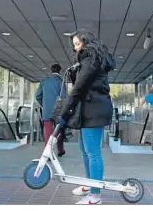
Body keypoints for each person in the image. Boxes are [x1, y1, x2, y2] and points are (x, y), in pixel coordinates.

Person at [57, 29, 116, 205]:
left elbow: (78, 88)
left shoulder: (91, 58)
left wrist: (63, 113)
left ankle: (95, 195)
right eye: (74, 45)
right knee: (85, 150)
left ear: (86, 42)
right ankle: (90, 184)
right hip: (88, 109)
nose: (76, 48)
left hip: (94, 110)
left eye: (78, 43)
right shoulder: (87, 60)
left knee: (93, 153)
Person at [35, 63, 66, 157]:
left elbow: (37, 96)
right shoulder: (61, 82)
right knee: (59, 131)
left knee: (47, 133)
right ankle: (60, 150)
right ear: (59, 71)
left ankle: (47, 153)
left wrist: (44, 105)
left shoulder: (44, 81)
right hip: (58, 112)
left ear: (51, 71)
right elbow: (64, 97)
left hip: (47, 112)